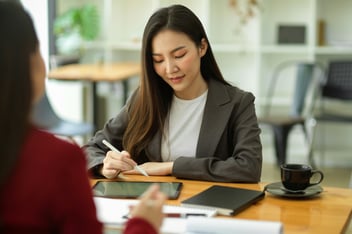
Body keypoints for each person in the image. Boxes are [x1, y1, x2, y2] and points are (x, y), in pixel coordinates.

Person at [0, 1, 165, 234]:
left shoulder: (233, 101)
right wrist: (142, 224)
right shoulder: (57, 162)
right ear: (31, 63)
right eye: (158, 59)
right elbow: (96, 146)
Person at [84, 4, 262, 182]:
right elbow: (91, 149)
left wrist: (171, 167)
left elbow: (249, 168)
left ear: (202, 47)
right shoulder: (144, 99)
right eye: (158, 60)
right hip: (153, 203)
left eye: (179, 55)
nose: (169, 69)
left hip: (210, 204)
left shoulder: (238, 103)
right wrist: (104, 166)